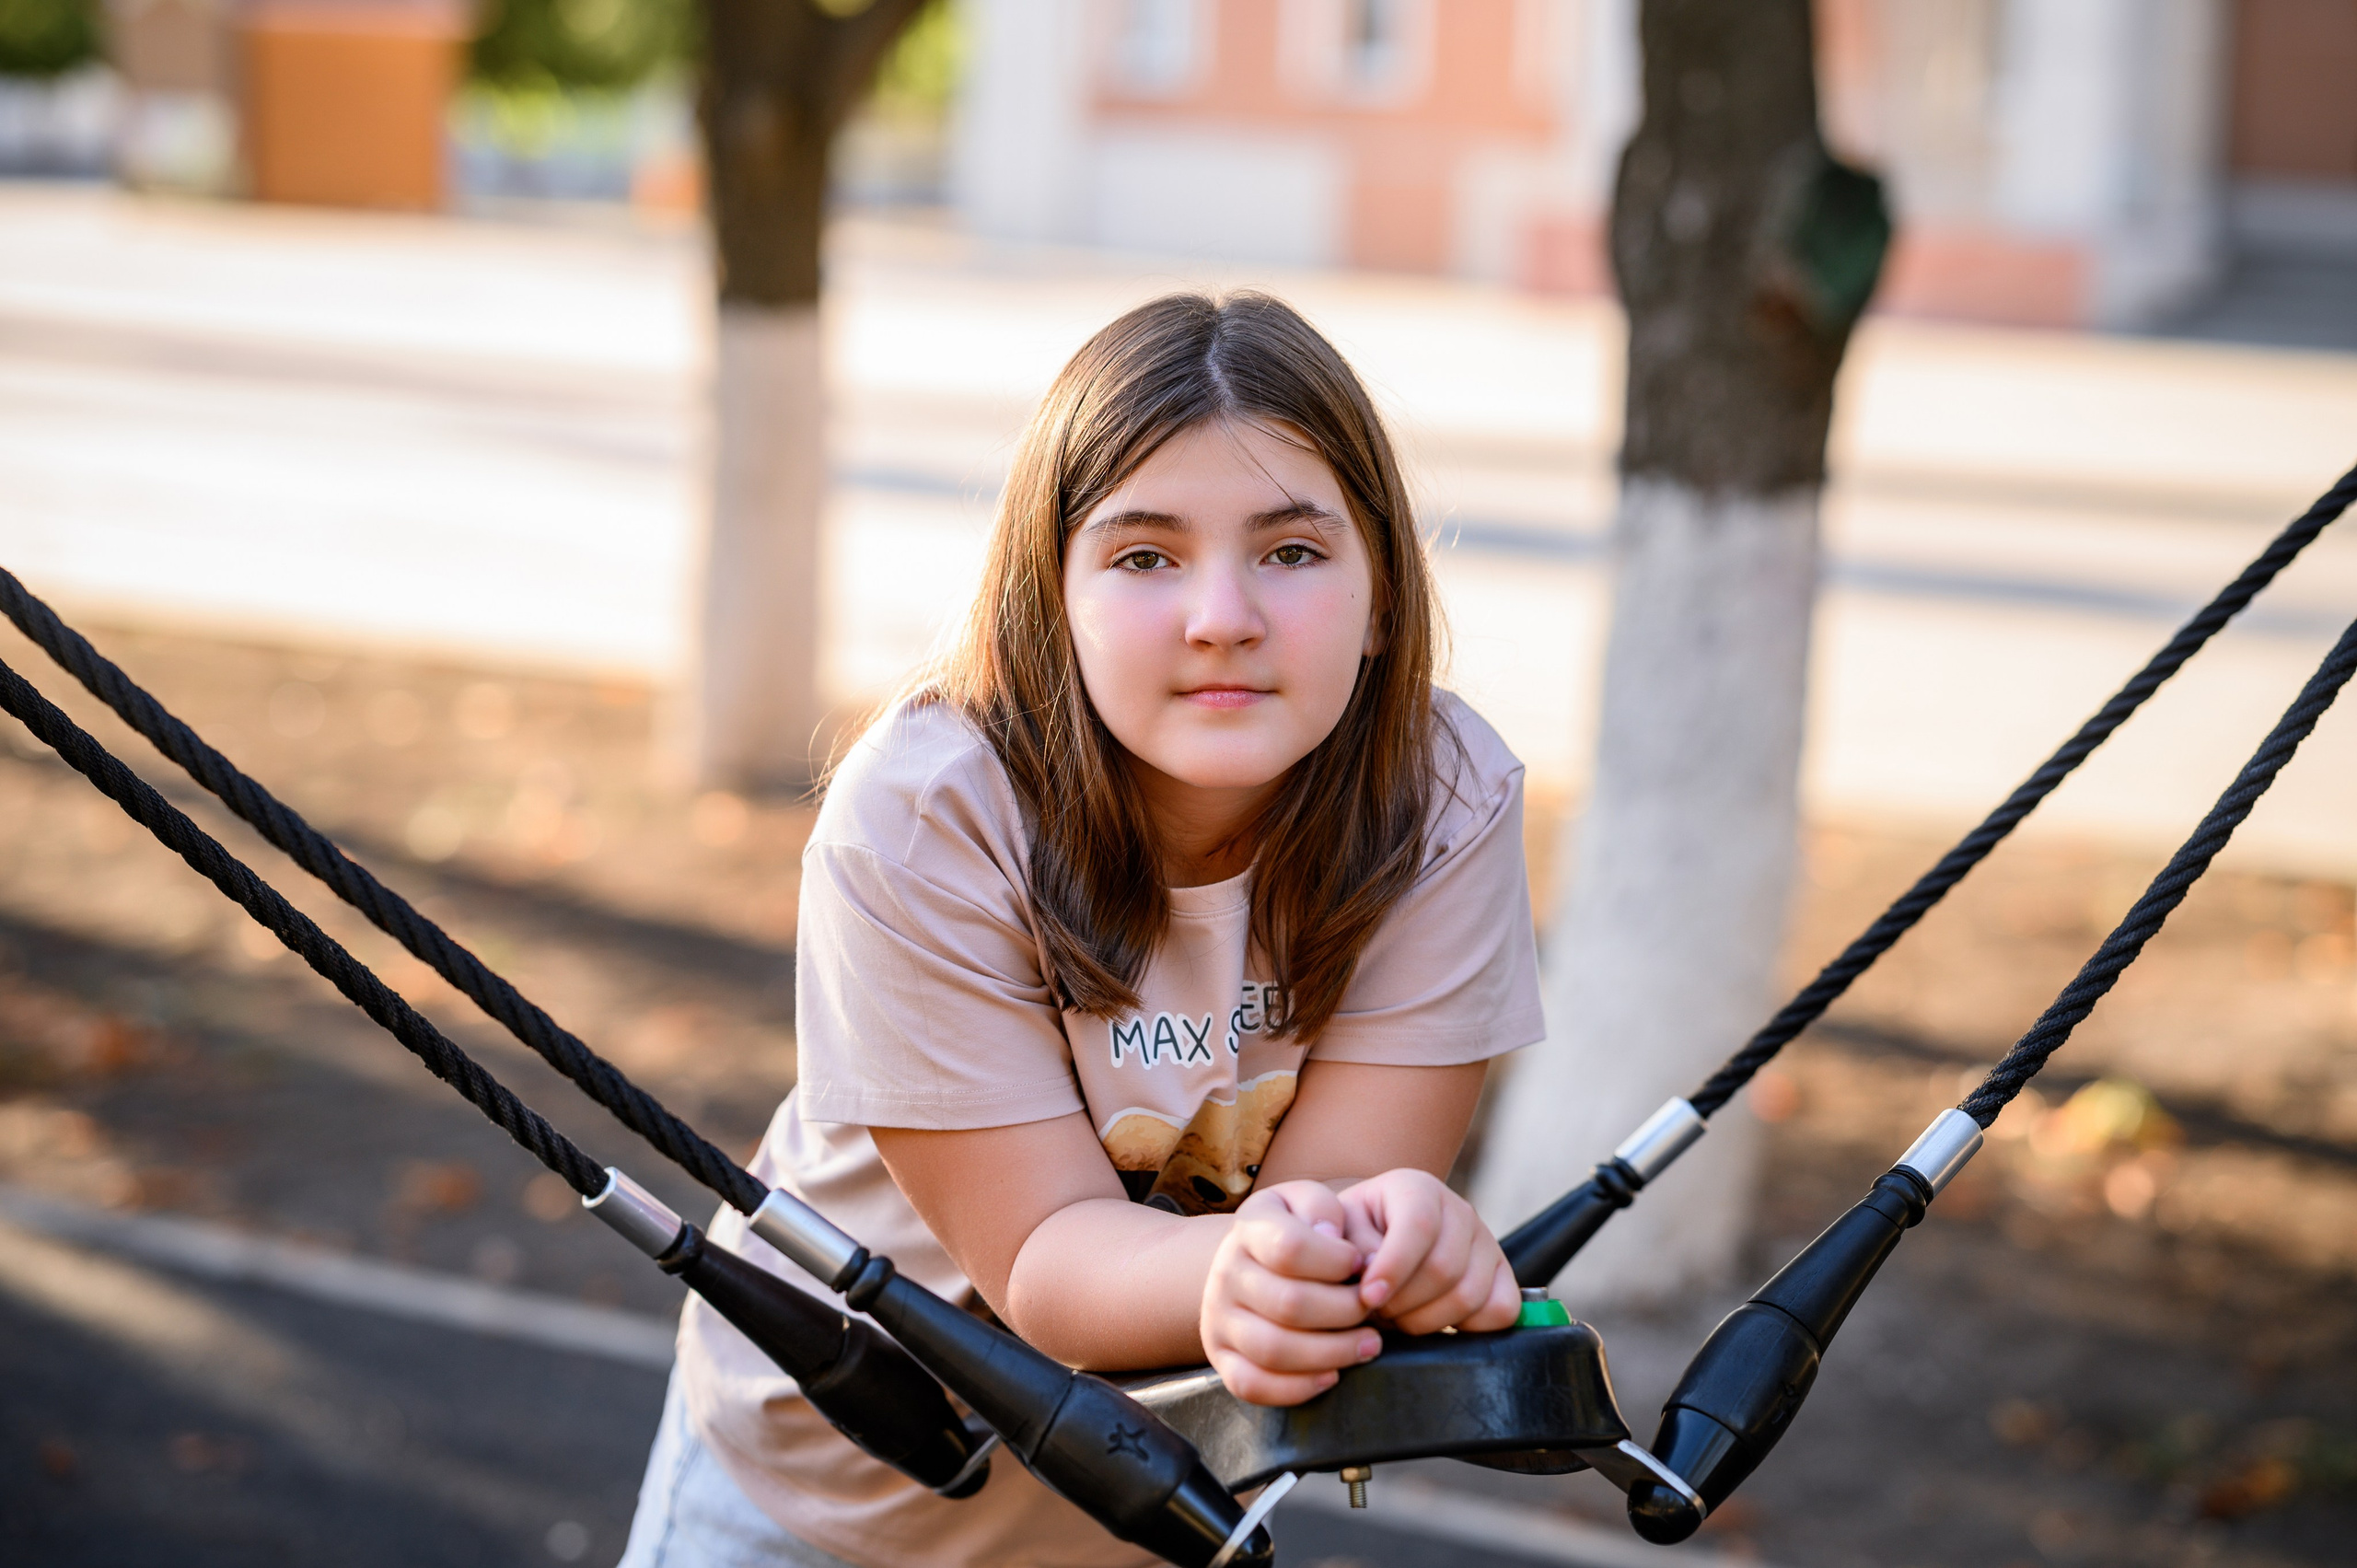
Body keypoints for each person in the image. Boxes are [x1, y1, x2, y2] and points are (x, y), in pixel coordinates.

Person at [621, 292, 1546, 1568]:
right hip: (823, 1491)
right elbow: (1046, 1262)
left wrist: (1392, 1242)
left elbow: (1322, 1218)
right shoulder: (926, 813)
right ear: (1051, 595)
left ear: (1384, 590)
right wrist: (1259, 1269)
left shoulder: (1443, 802)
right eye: (1145, 556)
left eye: (1291, 552)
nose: (1222, 615)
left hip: (1157, 1515)